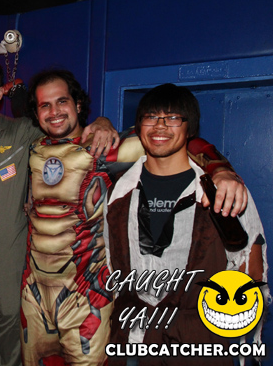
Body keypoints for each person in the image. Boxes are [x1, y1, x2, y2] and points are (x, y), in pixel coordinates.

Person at [20, 71, 249, 365]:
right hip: (34, 293)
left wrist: (221, 170)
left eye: (62, 101)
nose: (54, 112)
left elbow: (176, 140)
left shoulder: (105, 150)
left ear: (77, 104)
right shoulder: (34, 148)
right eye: (45, 105)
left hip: (85, 294)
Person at [0, 56, 118, 366]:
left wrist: (103, 121)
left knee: (13, 353)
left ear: (1, 92)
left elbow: (68, 131)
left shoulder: (24, 132)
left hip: (21, 268)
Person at [103, 83, 267, 366]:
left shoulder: (223, 192)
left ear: (190, 128)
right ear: (138, 126)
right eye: (151, 117)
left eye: (173, 117)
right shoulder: (118, 193)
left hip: (198, 341)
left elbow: (251, 268)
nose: (160, 126)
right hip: (132, 340)